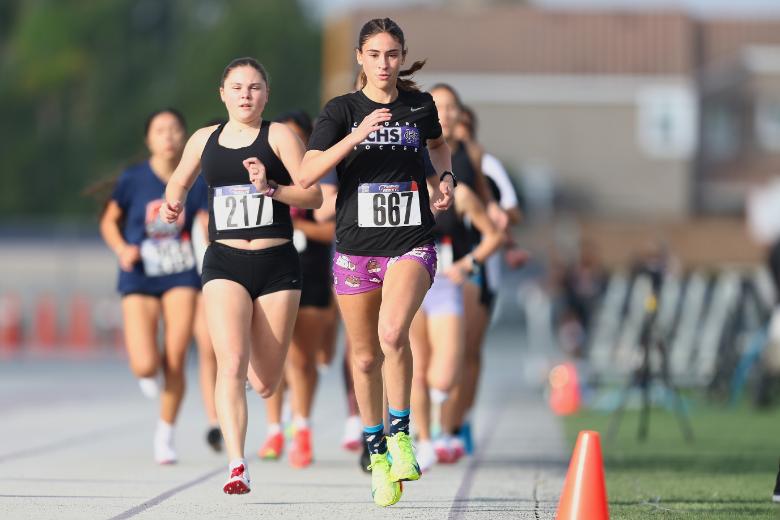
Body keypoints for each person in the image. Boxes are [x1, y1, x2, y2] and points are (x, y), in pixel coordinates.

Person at [299, 17, 455, 507]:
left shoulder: (419, 105)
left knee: (393, 334)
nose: (384, 64)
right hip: (355, 247)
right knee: (364, 357)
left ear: (402, 57)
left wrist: (441, 180)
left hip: (411, 240)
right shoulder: (341, 110)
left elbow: (438, 145)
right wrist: (357, 134)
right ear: (360, 60)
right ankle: (378, 455)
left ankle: (402, 434)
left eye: (392, 55)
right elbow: (307, 172)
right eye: (375, 55)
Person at [161, 57, 323, 494]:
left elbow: (314, 195)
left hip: (277, 265)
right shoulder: (203, 140)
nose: (245, 95)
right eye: (237, 87)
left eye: (254, 87)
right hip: (224, 263)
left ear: (266, 94)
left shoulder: (280, 136)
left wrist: (270, 188)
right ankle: (237, 464)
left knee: (267, 382)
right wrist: (171, 204)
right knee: (229, 361)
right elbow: (177, 183)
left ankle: (254, 366)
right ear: (223, 93)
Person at [99, 108, 206, 464]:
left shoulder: (197, 178)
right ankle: (149, 372)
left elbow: (205, 221)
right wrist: (121, 248)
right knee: (146, 364)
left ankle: (166, 433)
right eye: (161, 130)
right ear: (148, 139)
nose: (169, 137)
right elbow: (109, 222)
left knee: (175, 358)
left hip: (181, 272)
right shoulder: (133, 178)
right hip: (141, 272)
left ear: (185, 136)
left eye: (176, 130)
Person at [257, 110, 338, 468]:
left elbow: (331, 230)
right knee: (273, 357)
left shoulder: (318, 177)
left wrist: (299, 230)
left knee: (303, 358)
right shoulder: (262, 176)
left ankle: (302, 427)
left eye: (295, 138)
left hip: (313, 274)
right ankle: (275, 428)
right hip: (272, 272)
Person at [410, 161, 503, 470]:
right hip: (409, 284)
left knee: (445, 374)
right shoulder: (402, 191)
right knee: (417, 369)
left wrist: (468, 264)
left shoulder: (461, 196)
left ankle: (440, 423)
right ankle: (425, 439)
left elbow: (494, 236)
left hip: (445, 286)